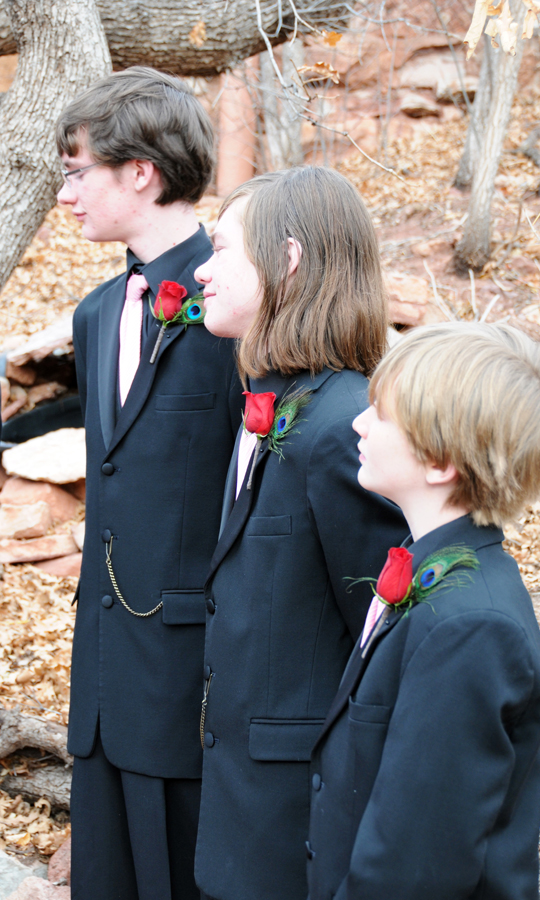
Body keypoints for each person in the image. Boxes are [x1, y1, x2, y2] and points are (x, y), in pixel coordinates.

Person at [192, 166, 409, 900]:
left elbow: (381, 649)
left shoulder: (345, 427)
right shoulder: (279, 400)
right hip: (242, 807)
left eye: (223, 249)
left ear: (287, 260)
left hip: (298, 826)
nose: (201, 270)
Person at [306, 322, 540, 900]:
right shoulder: (435, 575)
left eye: (381, 414)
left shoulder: (470, 629)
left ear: (438, 461)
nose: (358, 422)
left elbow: (413, 869)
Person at [55, 67, 241, 900]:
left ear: (141, 171)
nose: (65, 196)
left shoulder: (240, 304)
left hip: (194, 689)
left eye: (77, 172)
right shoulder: (96, 314)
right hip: (100, 685)